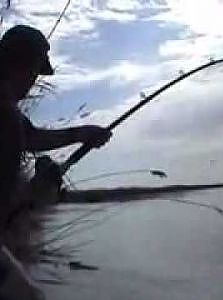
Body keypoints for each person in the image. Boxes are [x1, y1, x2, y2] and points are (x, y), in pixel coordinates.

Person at [0, 24, 112, 299]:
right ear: (26, 66)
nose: (34, 80)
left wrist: (79, 134)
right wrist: (37, 191)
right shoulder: (5, 115)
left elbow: (32, 137)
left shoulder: (7, 111)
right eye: (36, 71)